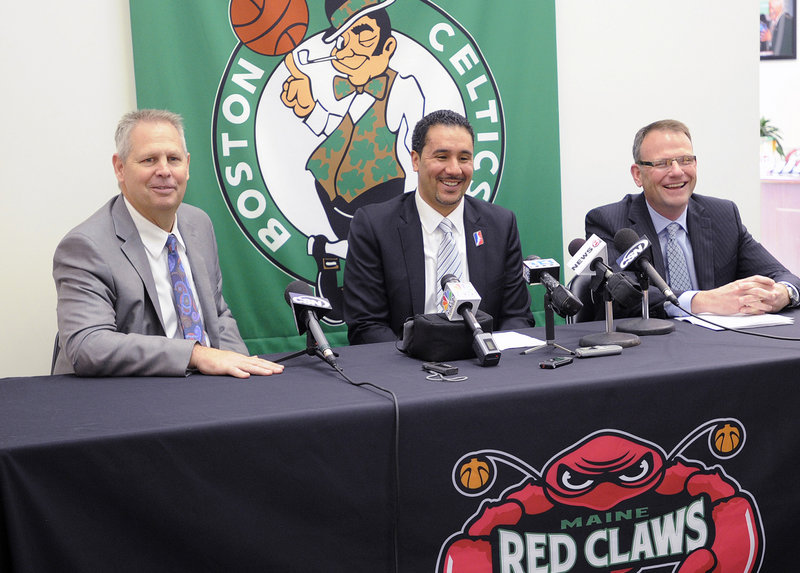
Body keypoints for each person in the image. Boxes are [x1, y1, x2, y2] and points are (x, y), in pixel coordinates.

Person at [52, 109, 284, 378]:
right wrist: (195, 354)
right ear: (120, 168)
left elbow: (218, 315)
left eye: (173, 159)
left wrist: (240, 374)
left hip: (203, 393)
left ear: (187, 165)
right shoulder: (85, 246)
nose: (164, 171)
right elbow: (88, 346)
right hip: (123, 399)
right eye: (149, 159)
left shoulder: (199, 223)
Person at [280, 0, 424, 319]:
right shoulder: (357, 94)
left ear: (387, 46)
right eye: (343, 40)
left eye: (362, 35)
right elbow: (340, 130)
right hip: (334, 195)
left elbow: (419, 152)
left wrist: (413, 211)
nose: (350, 48)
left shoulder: (402, 88)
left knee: (379, 257)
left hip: (378, 193)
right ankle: (336, 260)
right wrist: (309, 108)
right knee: (368, 264)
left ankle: (331, 252)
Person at [343, 109, 535, 344]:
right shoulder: (374, 226)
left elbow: (517, 317)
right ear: (416, 160)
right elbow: (366, 326)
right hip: (406, 370)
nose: (454, 170)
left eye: (464, 158)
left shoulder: (500, 225)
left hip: (486, 370)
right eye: (442, 157)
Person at [585, 119, 800, 320]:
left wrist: (783, 293)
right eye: (662, 163)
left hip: (717, 346)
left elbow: (782, 275)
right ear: (638, 175)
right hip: (648, 348)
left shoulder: (723, 215)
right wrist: (703, 301)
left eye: (686, 160)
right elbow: (624, 293)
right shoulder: (608, 221)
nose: (677, 172)